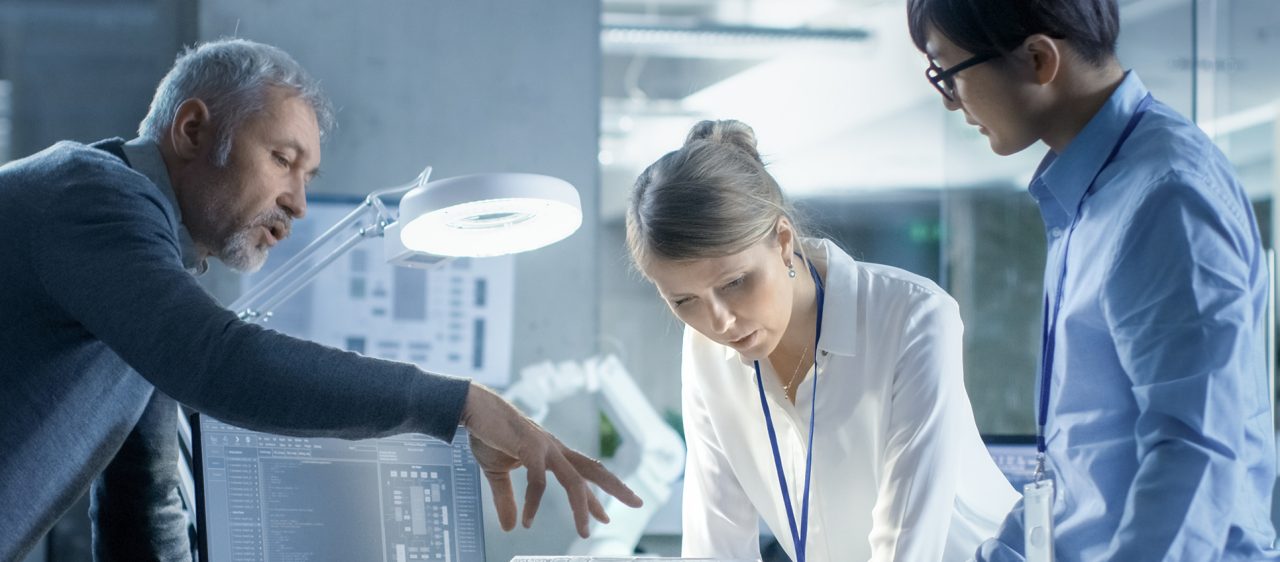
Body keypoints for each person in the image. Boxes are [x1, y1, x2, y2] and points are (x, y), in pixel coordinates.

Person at [0, 38, 640, 562]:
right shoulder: (90, 197)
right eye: (282, 160)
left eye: (308, 177)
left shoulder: (144, 271)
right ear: (193, 130)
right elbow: (217, 363)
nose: (299, 203)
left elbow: (142, 497)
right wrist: (459, 402)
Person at [905, 1, 1278, 560]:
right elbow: (1083, 463)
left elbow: (1194, 454)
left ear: (1038, 59)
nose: (951, 102)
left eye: (948, 75)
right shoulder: (1089, 196)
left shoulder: (1165, 196)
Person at [625, 119, 1019, 561]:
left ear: (783, 240)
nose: (719, 321)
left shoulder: (913, 317)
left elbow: (907, 547)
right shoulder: (705, 351)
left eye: (735, 282)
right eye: (684, 301)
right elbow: (715, 540)